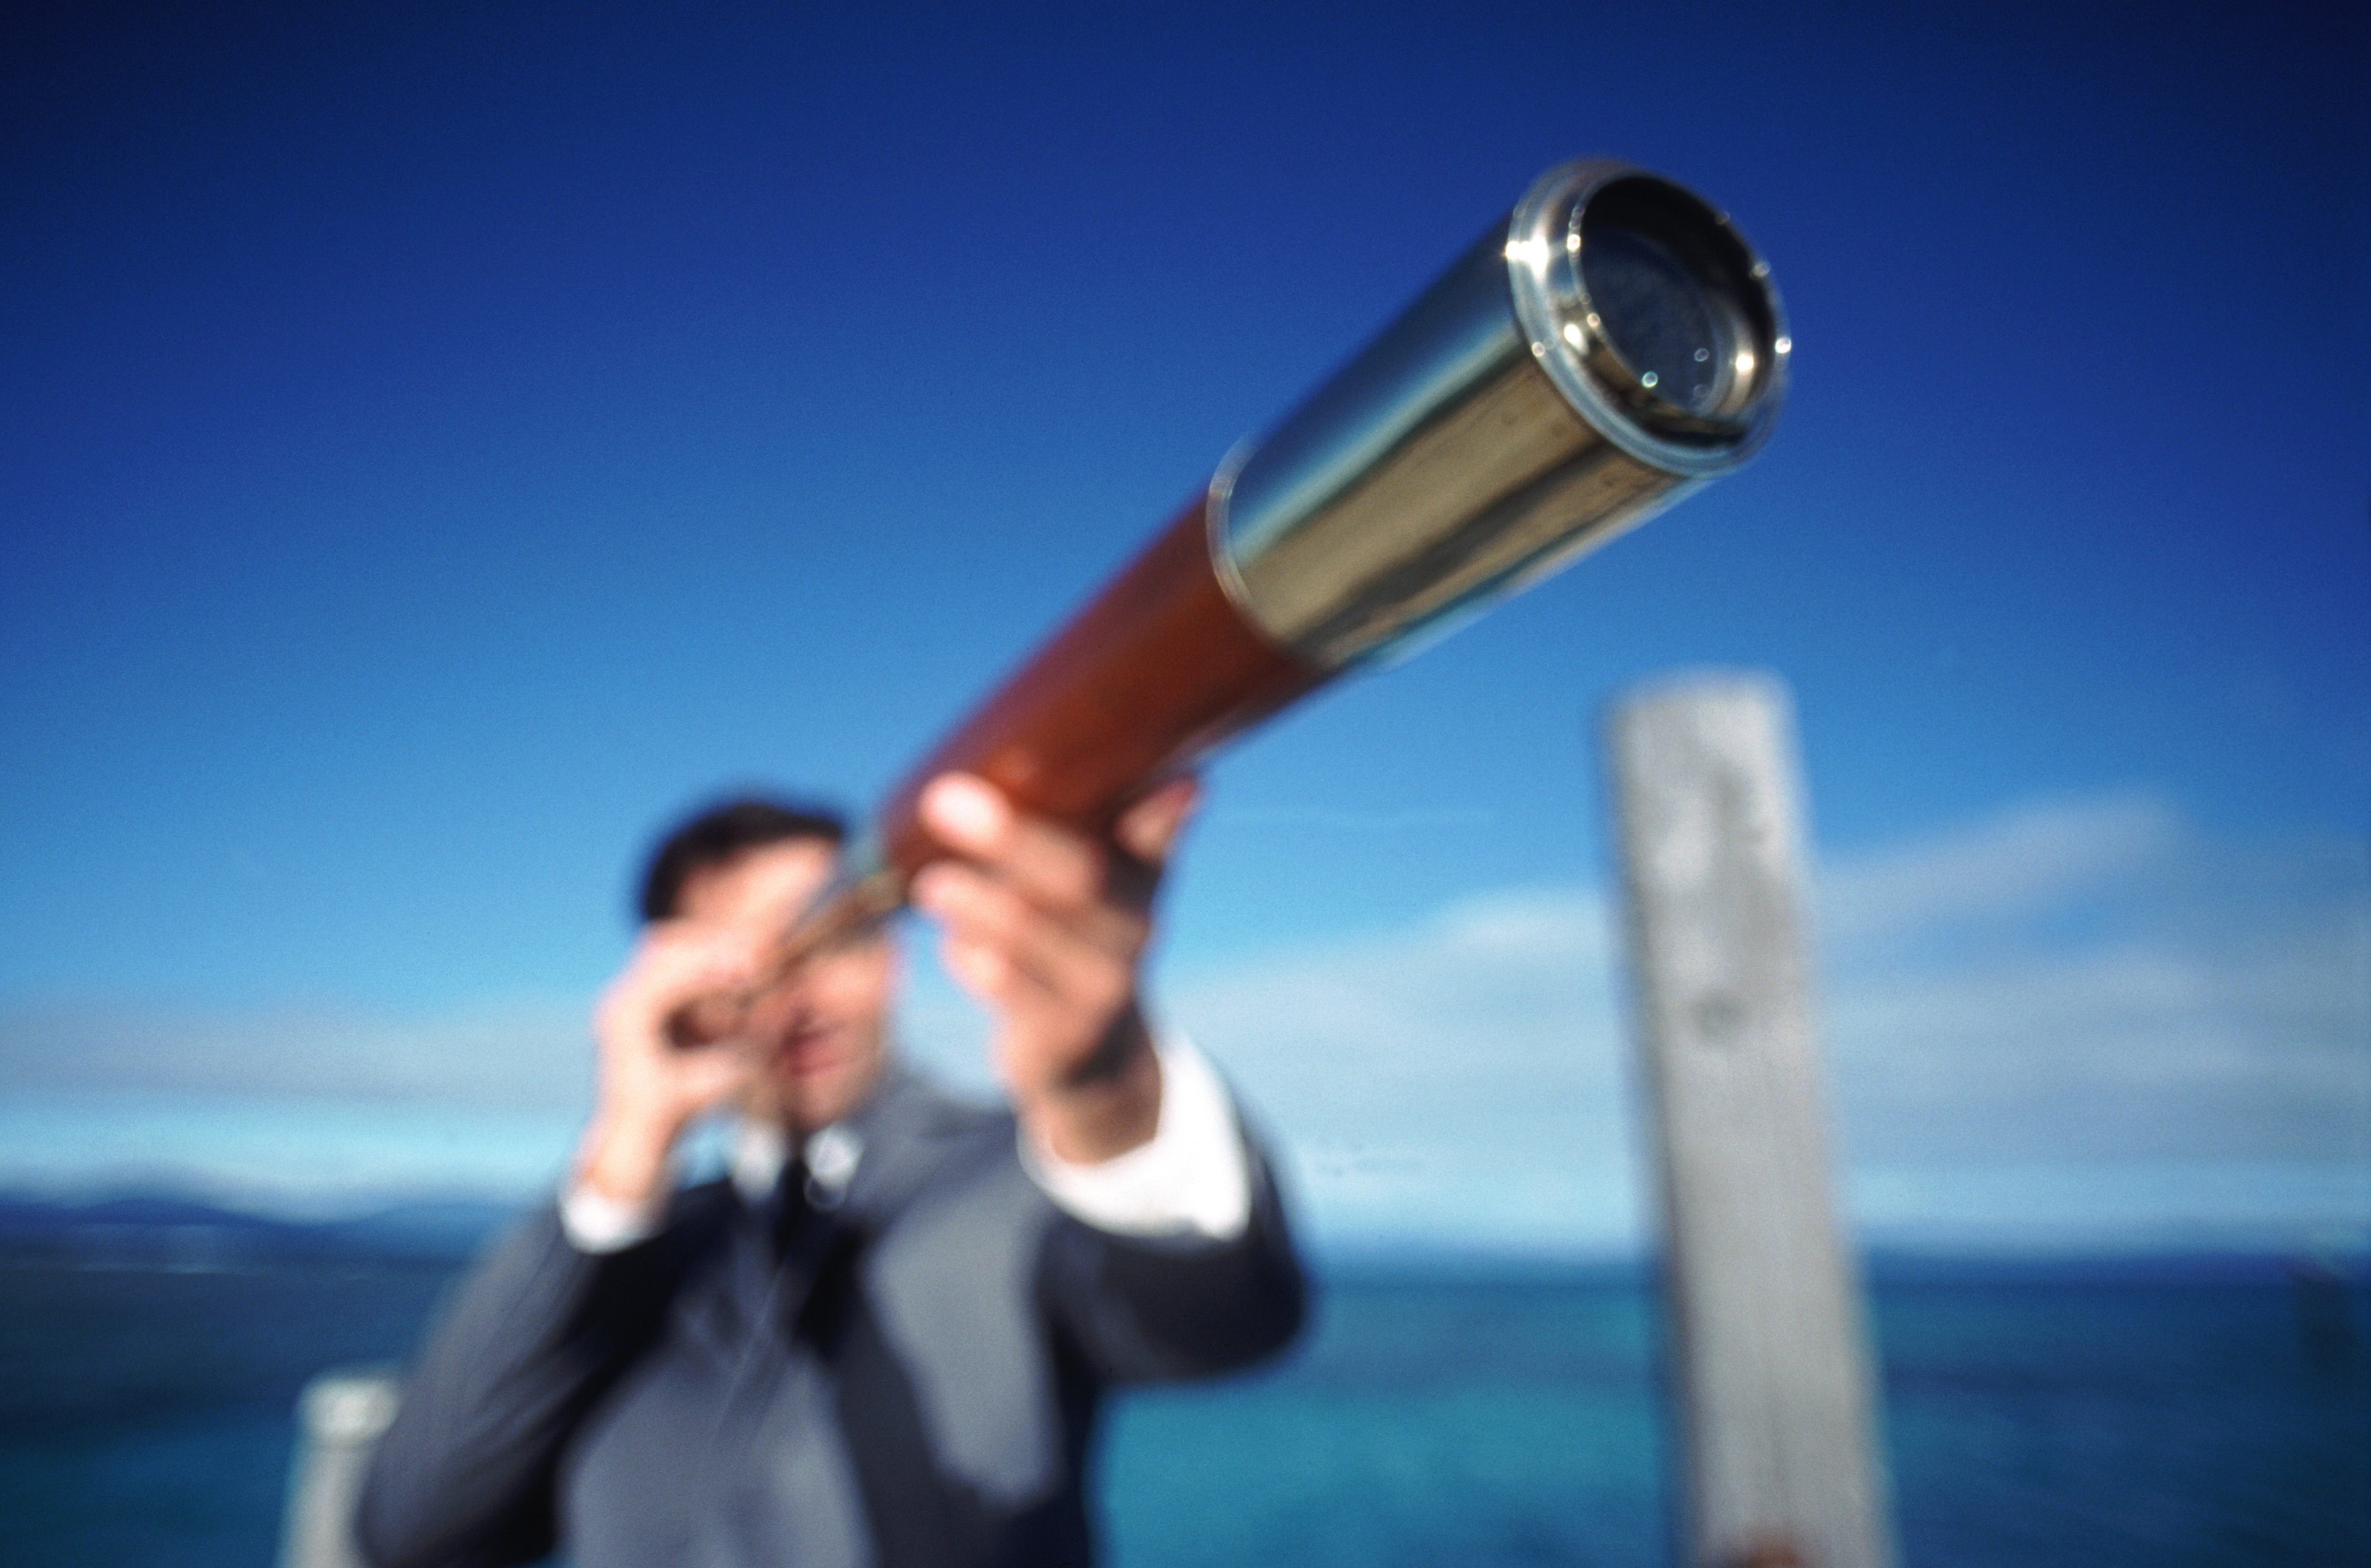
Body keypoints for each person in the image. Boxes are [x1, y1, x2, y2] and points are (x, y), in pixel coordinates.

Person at [356, 772, 1305, 1568]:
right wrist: (623, 1153)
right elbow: (417, 1527)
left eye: (837, 940)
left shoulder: (1017, 1175)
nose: (804, 1000)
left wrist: (1107, 1096)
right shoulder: (630, 1253)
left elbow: (1219, 1321)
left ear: (892, 958)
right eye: (751, 967)